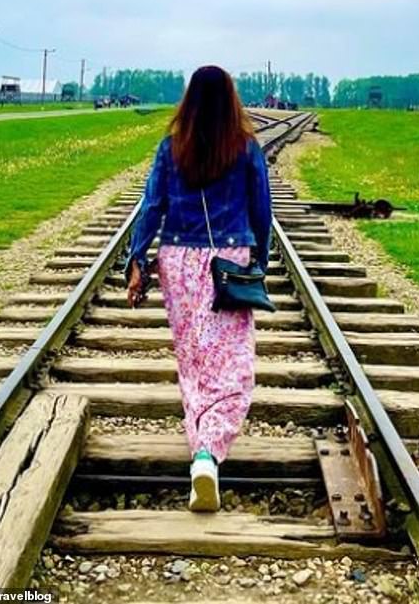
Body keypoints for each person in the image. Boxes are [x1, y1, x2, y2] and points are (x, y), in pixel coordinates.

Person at [125, 65, 272, 512]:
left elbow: (152, 207)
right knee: (232, 363)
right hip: (230, 262)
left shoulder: (171, 149)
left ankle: (200, 450)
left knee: (193, 360)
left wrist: (137, 258)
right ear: (231, 100)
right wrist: (258, 264)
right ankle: (208, 452)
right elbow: (262, 212)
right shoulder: (246, 149)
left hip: (179, 263)